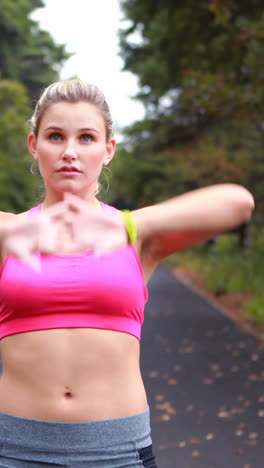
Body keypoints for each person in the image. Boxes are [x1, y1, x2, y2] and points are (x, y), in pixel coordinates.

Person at [0, 79, 254, 468]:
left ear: (108, 149)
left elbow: (237, 202)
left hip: (118, 451)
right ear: (34, 146)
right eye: (55, 136)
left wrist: (127, 225)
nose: (70, 152)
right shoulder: (10, 234)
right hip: (15, 448)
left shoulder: (136, 236)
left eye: (86, 138)